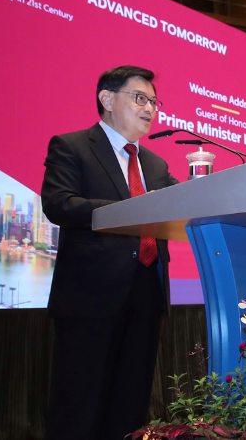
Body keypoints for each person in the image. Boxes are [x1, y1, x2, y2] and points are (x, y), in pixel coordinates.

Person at [43, 66, 181, 440]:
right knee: (80, 404)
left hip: (147, 293)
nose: (150, 108)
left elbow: (183, 205)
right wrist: (135, 210)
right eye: (140, 98)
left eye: (154, 101)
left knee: (131, 404)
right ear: (107, 99)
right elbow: (59, 204)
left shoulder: (154, 164)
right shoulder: (71, 146)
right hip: (92, 296)